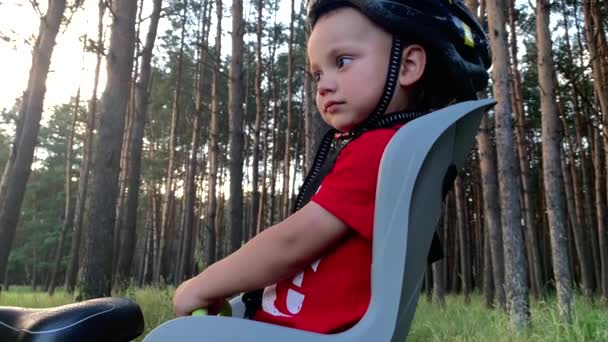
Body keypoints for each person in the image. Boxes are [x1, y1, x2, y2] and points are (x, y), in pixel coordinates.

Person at [173, 0, 490, 334]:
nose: (323, 85)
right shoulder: (388, 147)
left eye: (342, 61)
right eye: (318, 74)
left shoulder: (378, 151)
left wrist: (203, 284)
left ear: (408, 65)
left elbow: (293, 242)